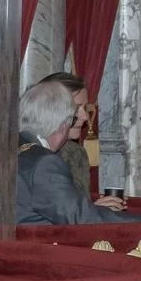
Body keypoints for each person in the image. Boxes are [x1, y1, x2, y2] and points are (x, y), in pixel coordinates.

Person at [16, 80, 141, 225]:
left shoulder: (12, 147)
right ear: (64, 124)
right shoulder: (44, 163)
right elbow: (81, 218)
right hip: (40, 245)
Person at [37, 72, 126, 211]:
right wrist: (93, 210)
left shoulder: (77, 153)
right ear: (50, 109)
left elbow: (76, 208)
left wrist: (104, 205)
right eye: (76, 108)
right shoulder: (27, 153)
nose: (85, 116)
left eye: (84, 108)